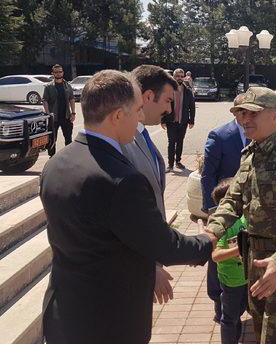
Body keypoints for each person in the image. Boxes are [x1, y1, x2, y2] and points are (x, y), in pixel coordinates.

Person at [40, 70, 214, 344]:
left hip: (65, 314)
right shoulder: (121, 179)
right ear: (118, 115)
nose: (140, 119)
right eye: (137, 110)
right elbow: (164, 245)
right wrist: (208, 241)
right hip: (109, 322)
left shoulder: (55, 165)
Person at [207, 87, 276, 344]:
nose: (245, 119)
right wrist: (211, 232)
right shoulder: (251, 153)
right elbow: (232, 201)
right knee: (261, 332)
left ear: (275, 116)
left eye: (252, 113)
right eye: (241, 113)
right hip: (255, 260)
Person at [122, 65, 177, 306]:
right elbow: (128, 217)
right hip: (133, 268)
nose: (169, 109)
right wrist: (150, 265)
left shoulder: (140, 135)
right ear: (147, 97)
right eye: (166, 100)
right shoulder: (123, 142)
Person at [201, 93, 247, 322]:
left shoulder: (260, 134)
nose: (246, 115)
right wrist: (211, 209)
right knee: (218, 254)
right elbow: (207, 174)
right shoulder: (219, 135)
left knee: (244, 249)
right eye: (242, 110)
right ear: (235, 111)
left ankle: (244, 300)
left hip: (249, 208)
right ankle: (218, 301)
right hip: (223, 206)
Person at [212, 179, 248, 344]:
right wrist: (238, 250)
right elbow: (215, 255)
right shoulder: (223, 226)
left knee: (238, 313)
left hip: (246, 278)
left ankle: (235, 338)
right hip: (231, 281)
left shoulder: (243, 218)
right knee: (229, 319)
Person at [161, 68, 196, 172]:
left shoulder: (188, 91)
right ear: (174, 77)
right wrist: (162, 120)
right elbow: (164, 105)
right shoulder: (168, 90)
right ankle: (170, 164)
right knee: (171, 142)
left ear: (184, 77)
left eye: (181, 76)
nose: (179, 78)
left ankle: (178, 162)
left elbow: (192, 107)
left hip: (183, 121)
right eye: (177, 76)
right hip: (171, 121)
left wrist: (191, 120)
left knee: (180, 142)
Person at [42, 64, 75, 157]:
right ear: (53, 73)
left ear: (63, 72)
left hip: (66, 116)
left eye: (60, 71)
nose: (58, 73)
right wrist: (48, 114)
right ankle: (52, 157)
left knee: (68, 138)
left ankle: (68, 157)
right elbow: (45, 100)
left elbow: (71, 99)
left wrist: (73, 113)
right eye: (56, 72)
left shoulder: (67, 85)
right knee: (52, 139)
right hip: (53, 118)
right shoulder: (48, 86)